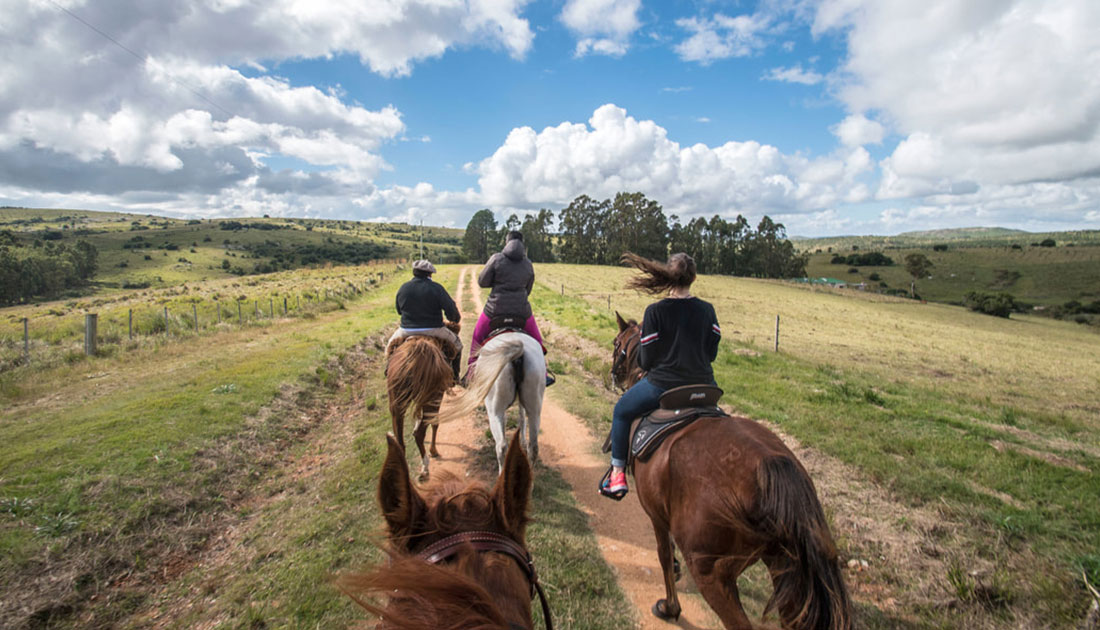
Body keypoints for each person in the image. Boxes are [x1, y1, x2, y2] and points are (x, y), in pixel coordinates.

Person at [599, 252, 720, 500]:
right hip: (705, 387)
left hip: (663, 387)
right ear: (694, 278)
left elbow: (645, 359)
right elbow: (712, 353)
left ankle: (617, 474)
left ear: (668, 275)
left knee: (621, 411)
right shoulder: (708, 310)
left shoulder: (655, 311)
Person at [466, 230, 554, 386]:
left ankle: (471, 373)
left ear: (507, 242)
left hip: (494, 312)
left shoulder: (496, 259)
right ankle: (544, 374)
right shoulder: (528, 263)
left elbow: (482, 282)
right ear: (522, 244)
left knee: (477, 338)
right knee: (538, 341)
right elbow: (528, 289)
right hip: (522, 313)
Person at [386, 259, 463, 381]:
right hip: (434, 330)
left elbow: (399, 311)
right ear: (430, 274)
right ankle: (455, 378)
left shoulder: (403, 288)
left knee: (389, 346)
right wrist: (455, 318)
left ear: (414, 272)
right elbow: (452, 313)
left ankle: (388, 371)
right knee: (458, 345)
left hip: (407, 330)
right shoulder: (437, 288)